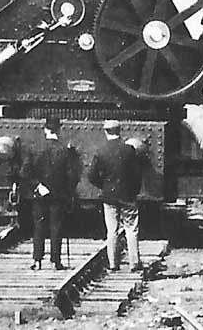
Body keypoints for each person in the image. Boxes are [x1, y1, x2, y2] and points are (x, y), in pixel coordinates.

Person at [20, 116, 79, 270]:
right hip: (58, 195)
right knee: (56, 227)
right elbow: (71, 175)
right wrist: (69, 192)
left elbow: (25, 172)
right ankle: (55, 261)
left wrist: (38, 185)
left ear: (45, 129)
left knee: (38, 226)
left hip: (39, 194)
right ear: (59, 130)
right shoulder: (65, 150)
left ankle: (37, 260)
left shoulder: (34, 149)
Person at [89, 119, 144, 272]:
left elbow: (91, 175)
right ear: (120, 131)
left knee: (111, 230)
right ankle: (135, 263)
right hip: (128, 195)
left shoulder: (101, 151)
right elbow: (136, 174)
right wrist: (134, 190)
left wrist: (104, 186)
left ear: (106, 132)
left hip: (109, 196)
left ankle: (113, 264)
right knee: (131, 229)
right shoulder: (129, 150)